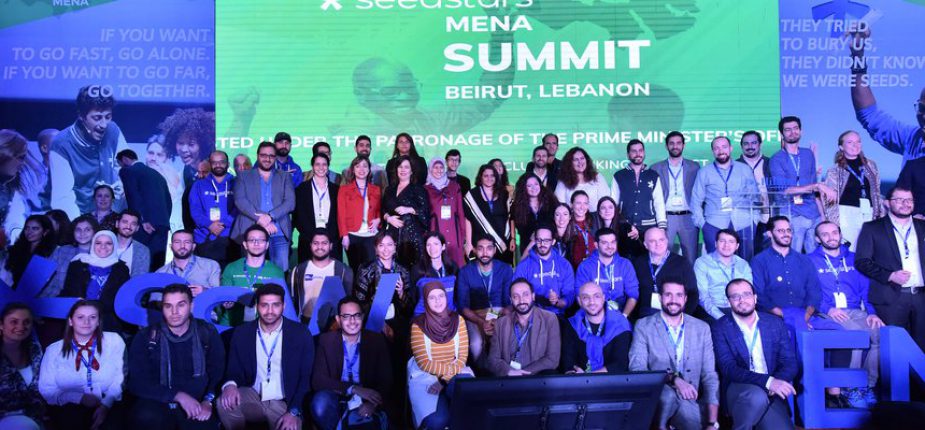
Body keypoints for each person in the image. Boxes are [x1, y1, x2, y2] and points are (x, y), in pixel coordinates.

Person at [127, 284, 225, 430]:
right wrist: (177, 395)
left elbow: (217, 372)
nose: (174, 312)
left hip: (198, 403)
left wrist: (208, 401)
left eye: (181, 305)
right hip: (158, 402)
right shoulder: (146, 336)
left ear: (191, 306)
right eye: (168, 306)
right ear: (162, 308)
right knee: (144, 416)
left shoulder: (206, 332)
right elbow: (136, 382)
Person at [218, 284, 313, 430]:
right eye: (264, 305)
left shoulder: (300, 333)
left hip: (285, 403)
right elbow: (233, 368)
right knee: (224, 402)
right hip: (254, 396)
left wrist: (294, 411)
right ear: (257, 306)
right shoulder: (242, 333)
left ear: (283, 306)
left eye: (275, 305)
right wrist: (230, 385)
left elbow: (306, 378)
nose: (270, 311)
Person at [629, 278, 719, 430]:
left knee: (698, 423)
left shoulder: (702, 328)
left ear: (685, 299)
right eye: (668, 295)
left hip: (690, 399)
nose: (673, 300)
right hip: (658, 395)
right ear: (660, 298)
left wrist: (712, 422)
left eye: (679, 295)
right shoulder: (643, 326)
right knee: (668, 397)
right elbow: (637, 369)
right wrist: (673, 379)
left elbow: (709, 375)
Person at [809, 221, 883, 406]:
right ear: (817, 239)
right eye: (825, 234)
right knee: (855, 335)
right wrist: (827, 309)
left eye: (834, 232)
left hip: (855, 310)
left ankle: (868, 385)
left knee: (878, 333)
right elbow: (808, 292)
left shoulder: (854, 258)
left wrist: (872, 312)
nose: (831, 237)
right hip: (827, 312)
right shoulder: (809, 260)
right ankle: (851, 387)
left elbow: (866, 289)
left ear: (840, 234)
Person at [712, 279, 797, 430]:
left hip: (770, 391)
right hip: (739, 387)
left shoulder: (775, 323)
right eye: (735, 296)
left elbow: (789, 362)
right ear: (728, 301)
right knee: (756, 397)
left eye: (746, 294)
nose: (742, 300)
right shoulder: (720, 327)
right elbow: (728, 368)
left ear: (755, 298)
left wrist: (774, 383)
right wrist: (768, 382)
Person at [751, 216, 842, 341]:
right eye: (781, 231)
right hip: (774, 317)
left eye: (788, 230)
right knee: (793, 335)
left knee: (839, 332)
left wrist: (805, 317)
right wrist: (788, 316)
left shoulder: (804, 260)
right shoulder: (759, 261)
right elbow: (759, 296)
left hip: (805, 314)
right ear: (769, 234)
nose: (786, 234)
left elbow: (814, 293)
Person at [855, 187, 925, 350]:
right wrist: (890, 275)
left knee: (921, 349)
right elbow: (862, 261)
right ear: (887, 203)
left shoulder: (922, 226)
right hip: (890, 298)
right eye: (899, 200)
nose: (905, 204)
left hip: (921, 298)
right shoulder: (872, 228)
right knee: (894, 350)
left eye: (909, 200)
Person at [38, 300, 125, 430]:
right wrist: (79, 398)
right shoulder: (54, 350)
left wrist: (105, 405)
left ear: (98, 321)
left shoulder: (114, 341)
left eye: (92, 317)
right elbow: (47, 389)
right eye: (80, 317)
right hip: (69, 406)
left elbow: (120, 378)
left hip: (108, 402)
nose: (86, 322)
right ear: (70, 321)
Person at [310, 297, 393, 430]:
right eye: (346, 316)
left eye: (356, 315)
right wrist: (353, 388)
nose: (352, 321)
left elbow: (386, 379)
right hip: (337, 395)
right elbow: (318, 379)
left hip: (366, 398)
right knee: (320, 403)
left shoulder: (376, 340)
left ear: (362, 317)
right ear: (338, 320)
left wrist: (373, 404)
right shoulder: (326, 340)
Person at [50, 85, 128, 219]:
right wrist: (82, 226)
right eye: (97, 118)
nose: (104, 124)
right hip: (80, 218)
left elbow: (126, 166)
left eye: (108, 116)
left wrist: (123, 182)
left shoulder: (113, 129)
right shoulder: (61, 145)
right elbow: (63, 198)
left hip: (113, 216)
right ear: (81, 116)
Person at [849, 28, 925, 163]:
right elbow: (869, 115)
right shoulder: (913, 139)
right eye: (922, 108)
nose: (924, 116)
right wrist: (857, 56)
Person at [408, 282, 472, 430]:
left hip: (455, 373)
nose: (438, 301)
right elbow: (424, 363)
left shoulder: (458, 320)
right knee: (437, 421)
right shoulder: (418, 325)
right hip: (426, 377)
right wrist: (446, 376)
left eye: (441, 296)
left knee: (468, 407)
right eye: (432, 297)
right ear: (425, 301)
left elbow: (462, 357)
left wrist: (444, 380)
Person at [769, 116, 835, 254]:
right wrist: (816, 186)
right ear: (781, 134)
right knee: (794, 256)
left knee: (816, 257)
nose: (792, 132)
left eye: (795, 128)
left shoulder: (808, 154)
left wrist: (822, 215)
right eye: (788, 130)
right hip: (792, 215)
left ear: (801, 131)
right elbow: (784, 191)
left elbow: (814, 189)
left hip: (814, 214)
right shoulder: (776, 159)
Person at [691, 136, 760, 261]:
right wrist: (703, 225)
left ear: (731, 148)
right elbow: (696, 201)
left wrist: (754, 220)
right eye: (716, 148)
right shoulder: (704, 172)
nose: (721, 151)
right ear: (713, 151)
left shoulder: (744, 169)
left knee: (746, 262)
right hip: (714, 224)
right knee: (716, 264)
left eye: (724, 147)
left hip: (744, 223)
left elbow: (754, 197)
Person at [231, 141, 296, 272]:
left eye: (271, 156)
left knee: (279, 272)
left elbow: (290, 202)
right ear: (257, 156)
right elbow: (240, 201)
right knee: (250, 271)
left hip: (278, 230)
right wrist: (261, 220)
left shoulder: (285, 176)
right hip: (250, 230)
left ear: (275, 157)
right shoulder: (243, 176)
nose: (267, 159)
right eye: (264, 155)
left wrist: (270, 216)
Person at [821, 130, 885, 252]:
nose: (855, 145)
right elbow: (830, 200)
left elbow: (877, 191)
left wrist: (881, 216)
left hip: (869, 213)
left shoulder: (871, 165)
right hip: (846, 214)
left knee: (870, 250)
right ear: (841, 147)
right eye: (850, 142)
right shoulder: (834, 171)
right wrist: (834, 224)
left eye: (858, 142)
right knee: (850, 251)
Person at [456, 235, 513, 363]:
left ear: (495, 250)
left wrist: (498, 320)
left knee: (505, 341)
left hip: (498, 312)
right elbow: (463, 307)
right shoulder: (465, 272)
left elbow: (508, 303)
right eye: (480, 248)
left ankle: (503, 370)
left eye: (489, 248)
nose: (485, 253)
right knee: (476, 344)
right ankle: (482, 373)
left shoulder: (505, 269)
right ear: (475, 250)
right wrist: (481, 322)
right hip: (475, 315)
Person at [486, 278, 561, 377]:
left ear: (533, 296)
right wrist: (509, 371)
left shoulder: (550, 319)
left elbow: (552, 359)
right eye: (515, 296)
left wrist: (522, 374)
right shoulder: (501, 324)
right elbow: (493, 359)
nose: (521, 300)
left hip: (538, 379)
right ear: (511, 300)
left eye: (525, 295)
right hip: (508, 379)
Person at [63, 230, 131, 333]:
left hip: (107, 322)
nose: (103, 247)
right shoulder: (77, 265)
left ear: (114, 246)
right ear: (93, 244)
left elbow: (122, 300)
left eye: (108, 243)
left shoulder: (122, 269)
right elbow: (67, 292)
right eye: (98, 243)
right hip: (78, 319)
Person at [353, 233, 415, 343]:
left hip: (398, 324)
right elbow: (358, 304)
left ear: (395, 247)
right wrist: (378, 298)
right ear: (376, 249)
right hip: (373, 324)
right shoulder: (366, 270)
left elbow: (410, 309)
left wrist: (401, 293)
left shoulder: (403, 270)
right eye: (381, 245)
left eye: (389, 245)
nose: (386, 249)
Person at [651, 131, 700, 265]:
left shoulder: (694, 167)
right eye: (671, 143)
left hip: (688, 217)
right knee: (662, 256)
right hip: (666, 217)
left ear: (683, 145)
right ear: (666, 146)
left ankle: (690, 279)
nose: (675, 146)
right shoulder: (656, 168)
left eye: (678, 143)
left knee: (691, 257)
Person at [612, 139, 667, 259]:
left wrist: (662, 228)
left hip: (649, 227)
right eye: (634, 151)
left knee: (648, 262)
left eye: (640, 150)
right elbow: (613, 204)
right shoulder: (619, 176)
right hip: (626, 228)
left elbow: (659, 203)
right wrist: (620, 224)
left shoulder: (653, 175)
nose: (638, 154)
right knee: (627, 261)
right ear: (628, 154)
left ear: (644, 153)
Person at [561, 282, 633, 373]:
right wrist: (573, 374)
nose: (592, 302)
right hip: (578, 380)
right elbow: (568, 362)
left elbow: (620, 364)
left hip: (612, 380)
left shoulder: (620, 324)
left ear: (603, 298)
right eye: (585, 297)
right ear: (579, 301)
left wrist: (588, 377)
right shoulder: (572, 324)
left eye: (596, 296)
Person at [221, 225, 286, 326]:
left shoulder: (276, 272)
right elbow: (222, 297)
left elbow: (280, 304)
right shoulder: (231, 268)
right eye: (252, 240)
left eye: (261, 240)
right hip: (231, 325)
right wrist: (226, 303)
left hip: (262, 326)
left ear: (267, 245)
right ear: (245, 244)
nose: (256, 243)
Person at [117, 149, 172, 270]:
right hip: (162, 224)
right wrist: (164, 220)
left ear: (124, 159)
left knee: (139, 262)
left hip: (145, 225)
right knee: (157, 265)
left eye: (120, 164)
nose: (120, 167)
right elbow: (168, 201)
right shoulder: (158, 175)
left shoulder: (128, 171)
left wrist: (142, 220)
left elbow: (133, 196)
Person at [288, 229, 354, 323]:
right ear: (310, 245)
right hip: (305, 323)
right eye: (316, 243)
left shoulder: (344, 271)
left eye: (324, 243)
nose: (319, 247)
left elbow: (349, 301)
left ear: (331, 246)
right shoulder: (298, 270)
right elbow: (291, 302)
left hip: (334, 325)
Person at [633, 227, 699, 318]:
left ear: (667, 241)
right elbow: (634, 294)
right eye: (652, 241)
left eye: (661, 240)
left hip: (675, 313)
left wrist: (682, 317)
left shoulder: (682, 263)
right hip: (647, 314)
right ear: (645, 245)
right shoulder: (639, 263)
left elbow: (693, 294)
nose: (658, 244)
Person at [188, 150, 237, 267]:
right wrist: (210, 225)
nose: (218, 165)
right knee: (205, 275)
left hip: (231, 237)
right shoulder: (198, 185)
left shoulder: (237, 183)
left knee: (228, 275)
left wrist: (224, 224)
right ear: (210, 164)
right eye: (214, 162)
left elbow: (240, 208)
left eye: (222, 162)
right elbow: (195, 210)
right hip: (204, 237)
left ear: (228, 164)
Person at [575, 227, 639, 317]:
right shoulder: (585, 266)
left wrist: (623, 317)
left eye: (613, 242)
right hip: (593, 312)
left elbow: (633, 295)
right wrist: (594, 317)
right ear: (596, 245)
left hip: (620, 313)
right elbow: (580, 295)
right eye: (605, 243)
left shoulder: (625, 264)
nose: (610, 246)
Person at [514, 225, 576, 316]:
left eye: (546, 241)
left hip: (557, 315)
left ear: (553, 241)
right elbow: (516, 293)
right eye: (539, 240)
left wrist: (557, 302)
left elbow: (570, 295)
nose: (542, 244)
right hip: (530, 315)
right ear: (535, 241)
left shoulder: (564, 265)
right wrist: (536, 298)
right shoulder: (524, 266)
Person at [0, 303, 44, 430]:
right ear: (1, 325)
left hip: (35, 420)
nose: (21, 327)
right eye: (14, 322)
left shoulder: (35, 349)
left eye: (26, 322)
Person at [695, 229, 754, 323]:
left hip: (738, 307)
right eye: (722, 241)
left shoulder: (743, 264)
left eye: (731, 242)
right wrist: (721, 317)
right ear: (716, 244)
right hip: (712, 309)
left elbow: (748, 293)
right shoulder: (702, 262)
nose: (726, 245)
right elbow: (703, 296)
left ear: (737, 246)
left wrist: (742, 311)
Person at [382, 155, 431, 268]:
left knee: (412, 270)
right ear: (396, 169)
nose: (403, 170)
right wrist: (388, 218)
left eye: (406, 167)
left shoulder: (418, 189)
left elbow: (425, 211)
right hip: (392, 236)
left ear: (411, 171)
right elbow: (383, 209)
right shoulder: (389, 189)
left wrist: (410, 209)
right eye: (400, 167)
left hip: (412, 238)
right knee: (392, 269)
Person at [338, 156, 382, 272]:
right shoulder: (344, 190)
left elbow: (379, 210)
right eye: (358, 166)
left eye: (365, 166)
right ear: (353, 170)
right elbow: (341, 214)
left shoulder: (376, 189)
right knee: (355, 269)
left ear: (369, 170)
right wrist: (344, 236)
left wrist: (378, 219)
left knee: (372, 270)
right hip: (352, 235)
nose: (361, 169)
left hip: (371, 235)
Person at [295, 153, 341, 263]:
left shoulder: (337, 189)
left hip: (331, 240)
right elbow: (298, 216)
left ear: (328, 166)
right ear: (312, 166)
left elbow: (340, 215)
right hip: (308, 239)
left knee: (333, 271)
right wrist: (313, 237)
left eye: (324, 164)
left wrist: (329, 236)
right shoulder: (301, 189)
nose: (321, 167)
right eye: (317, 164)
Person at [464, 164, 513, 264]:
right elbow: (468, 220)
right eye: (486, 176)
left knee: (502, 270)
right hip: (480, 242)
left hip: (503, 241)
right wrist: (468, 243)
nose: (489, 178)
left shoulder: (504, 194)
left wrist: (513, 238)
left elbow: (511, 217)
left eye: (492, 175)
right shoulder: (472, 195)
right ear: (480, 177)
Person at [158, 108, 216, 189]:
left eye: (191, 144)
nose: (184, 149)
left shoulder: (215, 169)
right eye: (180, 143)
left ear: (202, 145)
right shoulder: (186, 172)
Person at [424, 157, 466, 267]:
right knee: (437, 262)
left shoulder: (454, 186)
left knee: (456, 263)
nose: (439, 170)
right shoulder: (426, 189)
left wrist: (463, 234)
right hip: (436, 230)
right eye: (435, 167)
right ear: (430, 169)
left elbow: (460, 212)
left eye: (441, 167)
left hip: (454, 232)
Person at [154, 230, 221, 297]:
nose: (182, 246)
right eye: (177, 242)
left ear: (193, 246)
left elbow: (219, 297)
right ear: (171, 246)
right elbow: (155, 300)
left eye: (187, 242)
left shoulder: (211, 266)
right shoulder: (160, 273)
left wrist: (205, 291)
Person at [45, 215, 98, 298]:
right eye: (78, 230)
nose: (82, 233)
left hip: (87, 301)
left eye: (87, 230)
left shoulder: (101, 254)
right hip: (55, 297)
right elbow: (46, 277)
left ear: (94, 232)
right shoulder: (62, 251)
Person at [738, 130, 772, 256]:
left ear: (760, 144)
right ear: (741, 146)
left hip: (768, 213)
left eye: (753, 143)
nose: (750, 146)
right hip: (745, 215)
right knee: (746, 253)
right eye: (746, 144)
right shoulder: (734, 165)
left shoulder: (770, 163)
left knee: (767, 253)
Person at [511, 173, 557, 256]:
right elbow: (519, 227)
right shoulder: (517, 206)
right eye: (529, 186)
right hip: (527, 245)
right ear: (524, 188)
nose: (534, 188)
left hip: (548, 244)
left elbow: (555, 221)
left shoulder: (551, 200)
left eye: (536, 184)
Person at [144, 137, 184, 232]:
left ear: (167, 158)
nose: (153, 158)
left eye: (159, 155)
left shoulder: (176, 179)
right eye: (151, 153)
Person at [5, 214, 56, 285]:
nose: (29, 232)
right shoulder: (15, 249)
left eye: (35, 228)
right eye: (27, 228)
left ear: (45, 232)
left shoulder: (52, 253)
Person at [114, 210, 151, 277]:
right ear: (117, 224)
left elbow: (140, 278)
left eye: (133, 224)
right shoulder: (104, 244)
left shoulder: (142, 250)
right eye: (125, 222)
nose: (128, 226)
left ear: (137, 228)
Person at [568, 191, 595, 268]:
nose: (582, 207)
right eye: (578, 203)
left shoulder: (594, 220)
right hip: (575, 268)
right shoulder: (566, 222)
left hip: (595, 266)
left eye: (585, 203)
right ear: (571, 204)